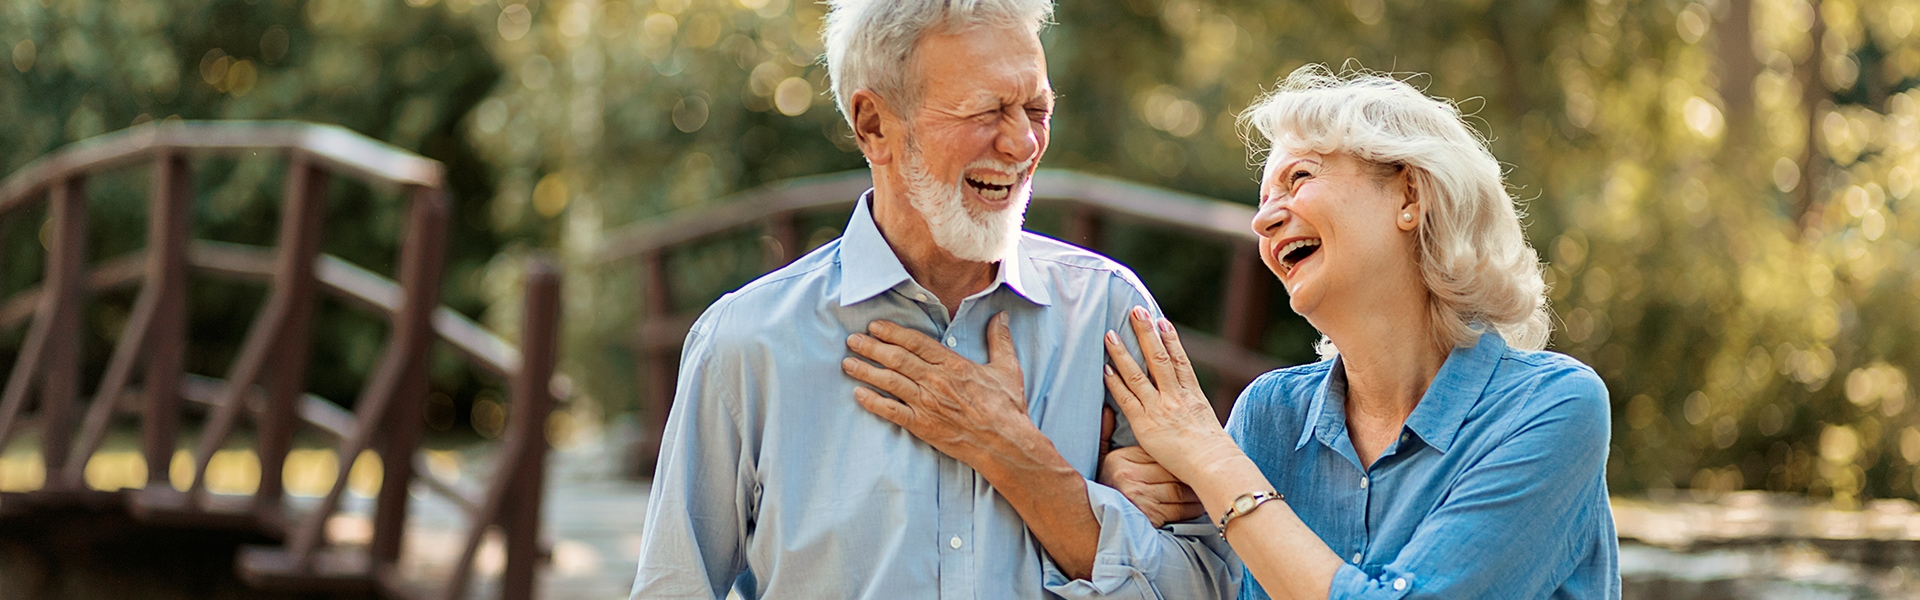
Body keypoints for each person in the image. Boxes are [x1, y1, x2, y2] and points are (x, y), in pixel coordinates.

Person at [629, 0, 1238, 597]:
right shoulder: (744, 344)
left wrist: (1027, 466)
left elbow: (1213, 586)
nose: (1024, 143)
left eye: (1036, 108)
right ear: (874, 126)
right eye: (988, 109)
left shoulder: (1109, 311)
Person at [1094, 66, 1621, 599]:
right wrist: (1125, 497)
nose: (1263, 222)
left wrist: (1211, 460)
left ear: (1410, 195)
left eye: (1298, 178)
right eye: (1261, 202)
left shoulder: (1552, 406)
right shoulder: (1269, 415)